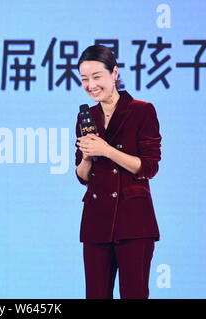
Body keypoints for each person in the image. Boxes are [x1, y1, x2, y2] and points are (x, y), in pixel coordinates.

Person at [75, 45, 162, 299]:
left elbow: (149, 167)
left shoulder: (142, 110)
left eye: (96, 77)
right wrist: (88, 157)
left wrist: (108, 150)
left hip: (134, 220)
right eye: (84, 79)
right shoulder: (86, 116)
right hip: (96, 221)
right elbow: (81, 175)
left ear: (114, 73)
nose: (91, 85)